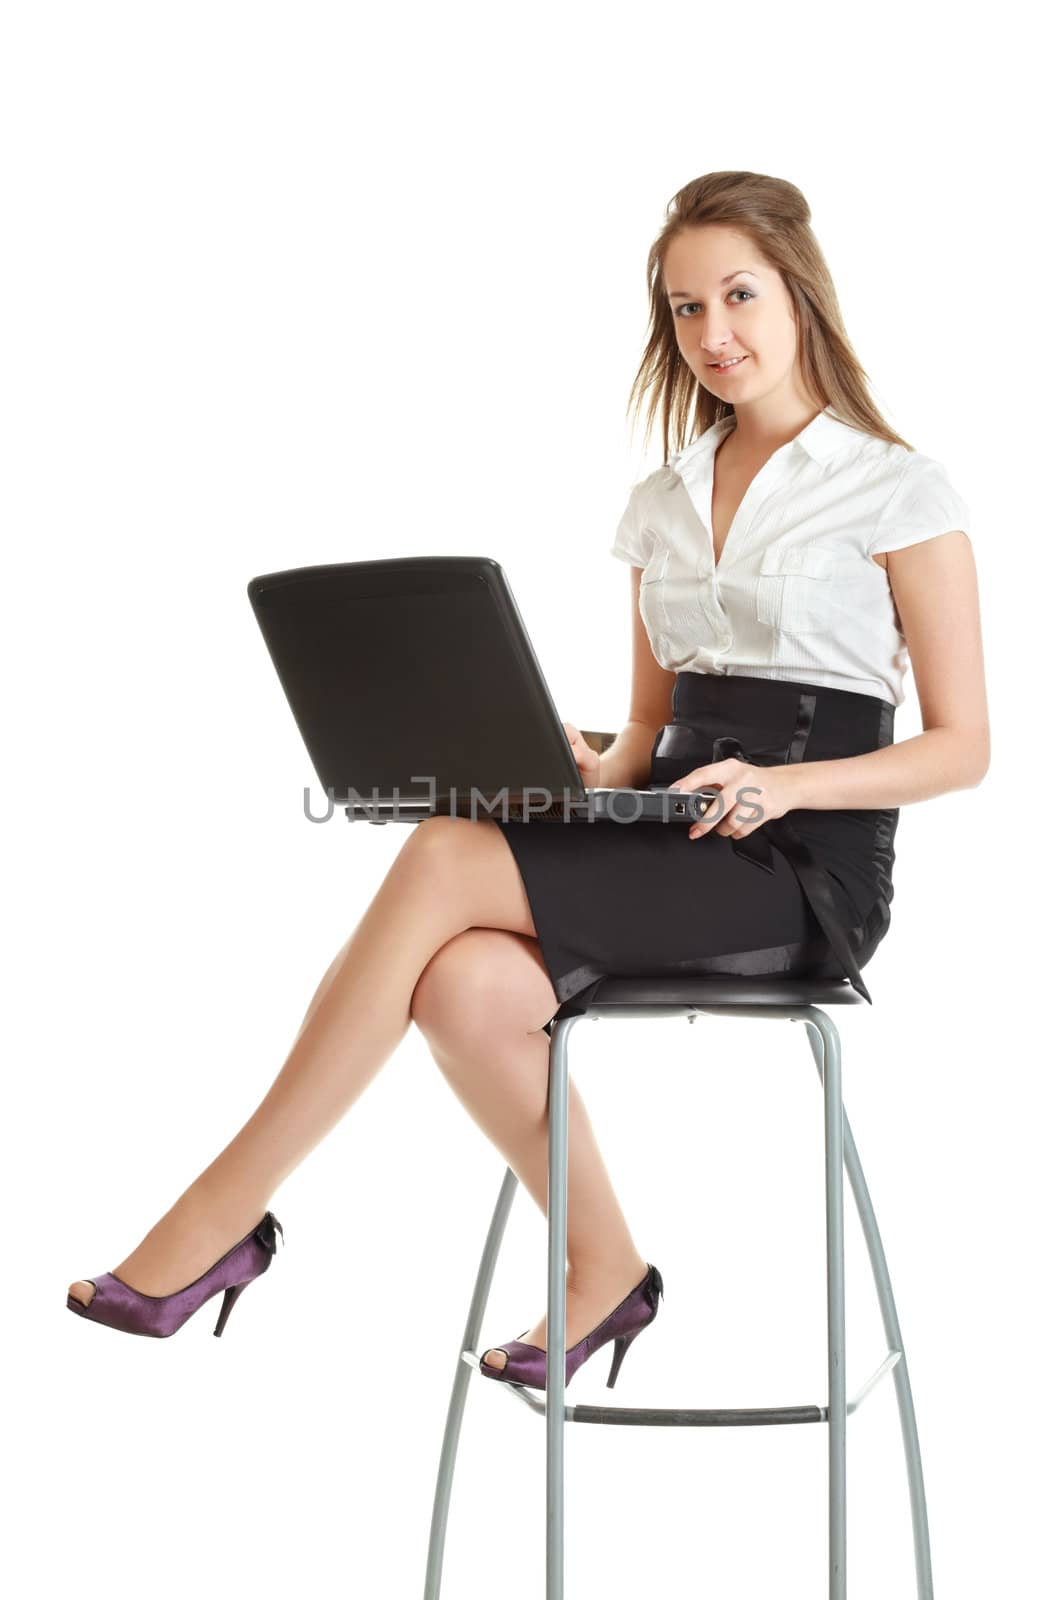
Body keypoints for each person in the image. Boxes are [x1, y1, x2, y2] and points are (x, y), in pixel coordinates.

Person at [66, 170, 990, 1392]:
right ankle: (604, 1268)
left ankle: (224, 1211)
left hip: (803, 867)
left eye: (738, 296)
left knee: (447, 854)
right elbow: (650, 731)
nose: (713, 334)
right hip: (675, 826)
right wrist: (576, 758)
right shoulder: (659, 503)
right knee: (461, 983)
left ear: (800, 296)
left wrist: (791, 788)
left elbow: (962, 747)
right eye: (682, 309)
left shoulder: (896, 488)